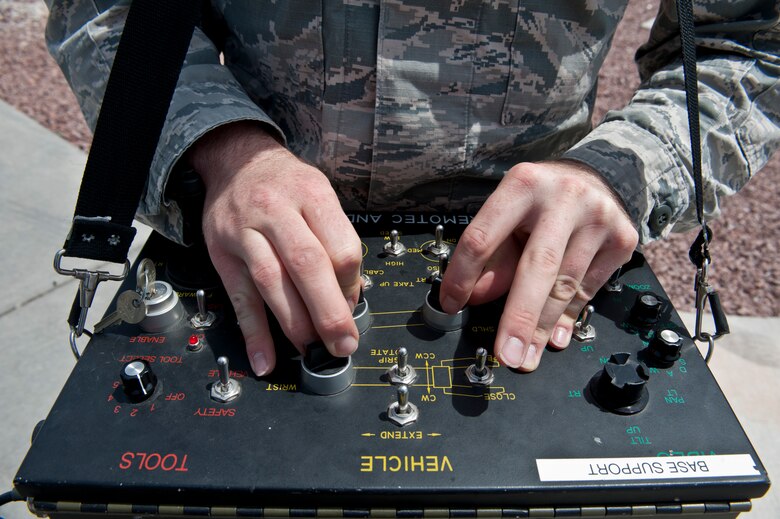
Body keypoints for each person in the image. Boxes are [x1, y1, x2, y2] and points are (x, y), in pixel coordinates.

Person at [45, 0, 779, 376]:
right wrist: (219, 145)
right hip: (232, 230)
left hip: (533, 270)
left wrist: (625, 168)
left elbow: (750, 41)